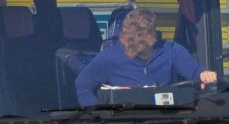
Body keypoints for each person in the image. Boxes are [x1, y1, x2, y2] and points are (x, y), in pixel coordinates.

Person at [74, 7, 217, 106]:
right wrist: (100, 115)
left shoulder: (172, 50)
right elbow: (82, 85)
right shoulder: (109, 57)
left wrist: (204, 74)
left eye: (138, 38)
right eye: (127, 36)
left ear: (152, 36)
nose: (131, 42)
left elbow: (194, 71)